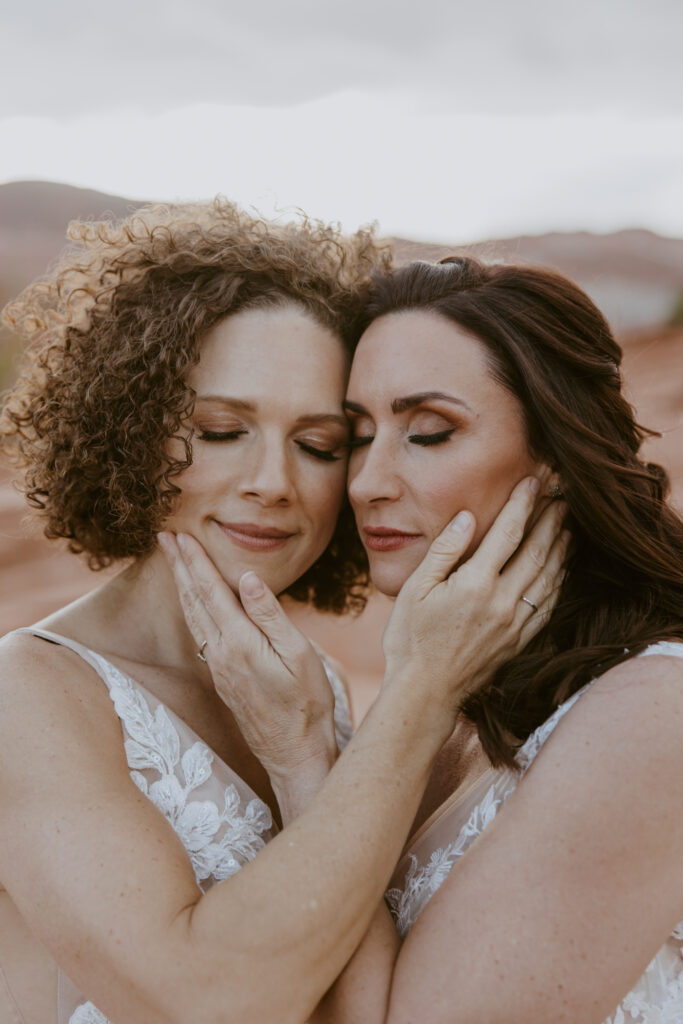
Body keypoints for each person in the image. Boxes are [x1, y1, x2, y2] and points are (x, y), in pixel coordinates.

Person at [0, 205, 564, 1024]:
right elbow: (203, 1002)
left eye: (320, 444)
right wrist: (423, 689)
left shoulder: (312, 690)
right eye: (223, 430)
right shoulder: (28, 693)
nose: (273, 481)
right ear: (129, 431)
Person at [304, 256, 682, 1023]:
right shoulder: (456, 690)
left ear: (552, 455)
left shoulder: (653, 711)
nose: (367, 480)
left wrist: (298, 757)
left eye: (429, 432)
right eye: (357, 434)